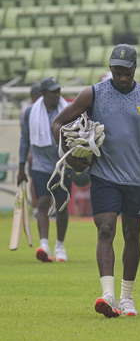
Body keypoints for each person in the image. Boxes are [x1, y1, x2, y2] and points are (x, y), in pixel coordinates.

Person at [51, 44, 140, 317]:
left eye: (126, 72)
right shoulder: (92, 94)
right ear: (110, 69)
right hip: (103, 175)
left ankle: (127, 297)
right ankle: (108, 294)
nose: (122, 77)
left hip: (136, 179)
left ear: (135, 68)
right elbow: (57, 123)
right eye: (117, 72)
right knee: (105, 229)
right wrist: (68, 156)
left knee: (132, 234)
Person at [18, 76, 71, 263]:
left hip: (63, 164)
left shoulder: (68, 109)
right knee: (42, 202)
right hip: (40, 164)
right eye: (53, 91)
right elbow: (25, 139)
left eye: (58, 90)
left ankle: (60, 245)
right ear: (43, 93)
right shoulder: (30, 112)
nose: (57, 94)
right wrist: (21, 166)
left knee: (62, 205)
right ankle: (44, 245)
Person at [19, 82, 42, 216]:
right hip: (33, 147)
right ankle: (36, 208)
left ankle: (51, 209)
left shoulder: (45, 107)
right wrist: (29, 151)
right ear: (35, 95)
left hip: (46, 147)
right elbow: (25, 134)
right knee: (34, 178)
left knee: (51, 178)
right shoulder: (26, 110)